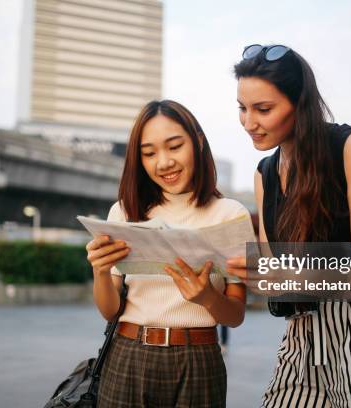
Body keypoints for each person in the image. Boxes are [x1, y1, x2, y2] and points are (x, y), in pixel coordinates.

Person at [226, 44, 351, 407]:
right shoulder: (265, 174)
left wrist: (289, 274)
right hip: (306, 331)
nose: (249, 122)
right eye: (242, 108)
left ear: (299, 104)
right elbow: (276, 275)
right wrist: (248, 272)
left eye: (264, 109)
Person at [86, 100, 249, 407]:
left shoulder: (230, 214)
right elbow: (110, 312)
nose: (163, 163)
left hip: (199, 360)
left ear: (198, 141)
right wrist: (100, 272)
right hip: (128, 353)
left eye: (174, 146)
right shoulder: (124, 212)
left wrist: (208, 298)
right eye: (149, 153)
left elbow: (236, 316)